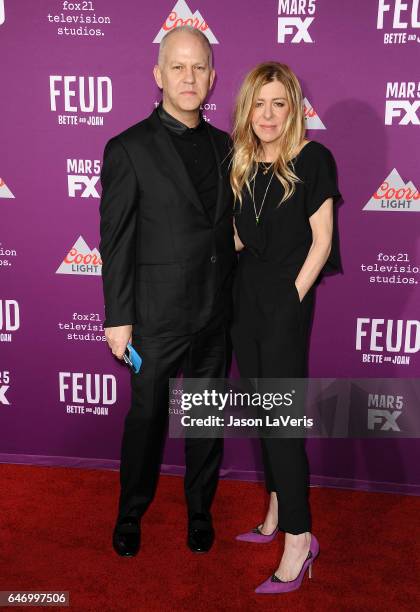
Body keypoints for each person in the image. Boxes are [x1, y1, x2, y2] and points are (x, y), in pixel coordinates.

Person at [99, 25, 236, 557]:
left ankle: (200, 510)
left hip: (213, 314)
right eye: (177, 66)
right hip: (153, 319)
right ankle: (131, 510)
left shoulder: (228, 148)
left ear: (212, 78)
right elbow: (116, 242)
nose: (189, 77)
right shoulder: (127, 149)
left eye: (199, 67)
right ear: (158, 75)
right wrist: (118, 317)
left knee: (205, 421)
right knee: (147, 420)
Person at [230, 62, 341, 593]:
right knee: (261, 414)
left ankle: (299, 539)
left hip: (283, 306)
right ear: (247, 108)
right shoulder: (245, 164)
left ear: (293, 106)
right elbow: (237, 241)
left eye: (278, 103)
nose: (268, 114)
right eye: (259, 103)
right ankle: (275, 512)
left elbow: (322, 240)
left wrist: (290, 300)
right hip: (241, 304)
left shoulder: (313, 159)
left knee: (282, 425)